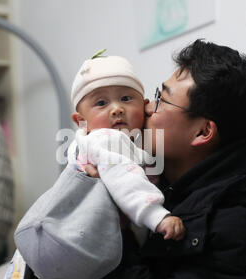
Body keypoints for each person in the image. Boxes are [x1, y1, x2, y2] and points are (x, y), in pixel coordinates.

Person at [26, 39, 246, 279]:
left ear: (203, 132)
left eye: (162, 98)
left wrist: (114, 228)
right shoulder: (169, 185)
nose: (148, 107)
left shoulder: (244, 232)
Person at [67, 52, 185, 240]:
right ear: (81, 121)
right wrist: (157, 216)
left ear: (144, 105)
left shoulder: (134, 141)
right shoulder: (105, 139)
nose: (117, 109)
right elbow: (124, 178)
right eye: (101, 103)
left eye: (126, 99)